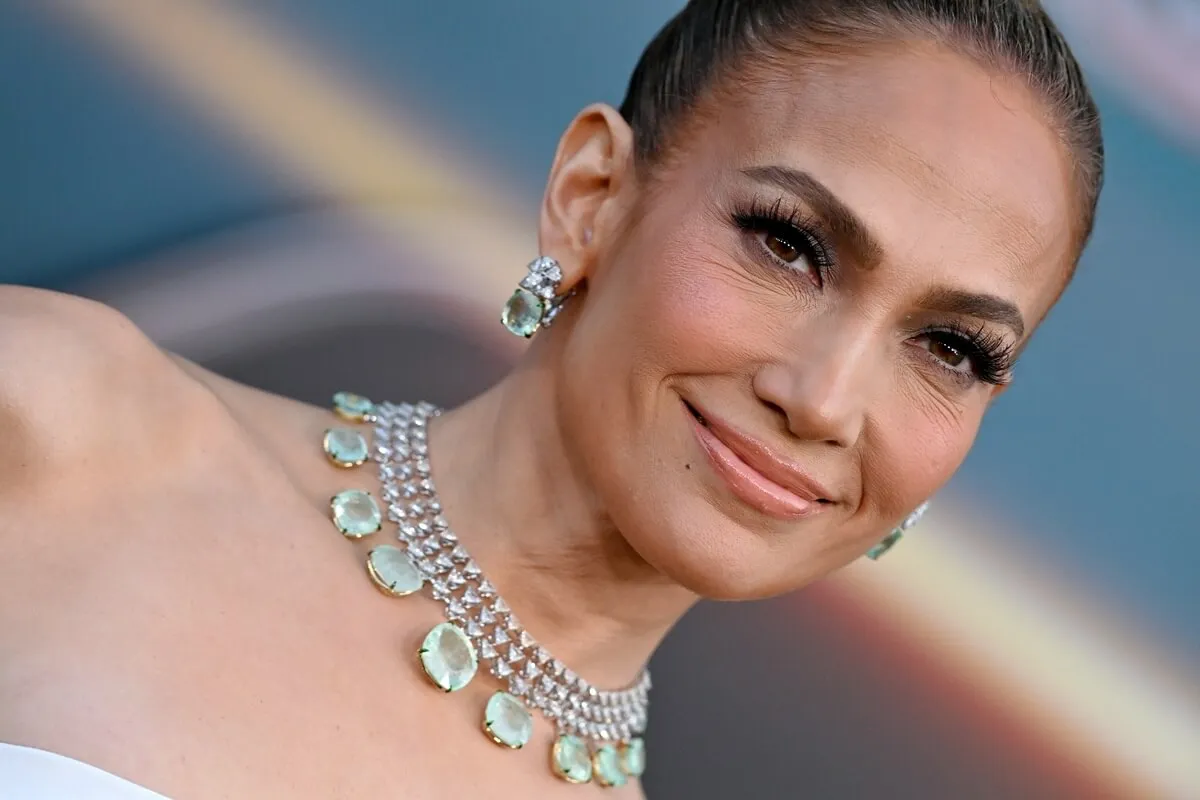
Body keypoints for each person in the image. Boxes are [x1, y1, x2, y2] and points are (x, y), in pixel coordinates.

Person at [0, 0, 1103, 796]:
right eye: (788, 244)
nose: (825, 399)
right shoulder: (54, 424)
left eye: (950, 347)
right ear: (593, 199)